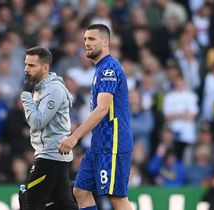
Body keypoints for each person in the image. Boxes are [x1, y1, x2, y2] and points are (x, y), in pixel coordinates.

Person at [59, 24, 134, 210]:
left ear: (106, 42)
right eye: (85, 39)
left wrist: (75, 136)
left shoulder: (109, 69)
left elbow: (102, 109)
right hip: (99, 144)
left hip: (113, 142)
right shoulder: (100, 69)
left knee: (117, 197)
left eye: (92, 39)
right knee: (81, 191)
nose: (86, 43)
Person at [21, 46, 78, 210]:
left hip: (51, 155)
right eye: (26, 64)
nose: (26, 69)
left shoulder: (53, 90)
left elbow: (37, 122)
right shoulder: (41, 88)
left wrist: (25, 96)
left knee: (31, 202)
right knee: (64, 204)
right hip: (55, 154)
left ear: (45, 68)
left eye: (32, 66)